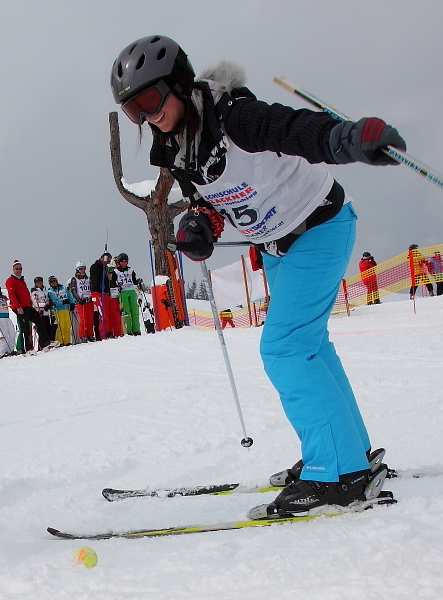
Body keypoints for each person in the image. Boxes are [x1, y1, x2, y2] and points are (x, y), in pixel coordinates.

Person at [111, 35, 403, 515]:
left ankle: (338, 474)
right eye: (132, 110)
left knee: (285, 347)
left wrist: (348, 138)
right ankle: (348, 451)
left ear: (179, 84)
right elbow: (206, 200)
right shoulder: (173, 148)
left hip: (319, 226)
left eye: (150, 100)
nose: (146, 116)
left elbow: (296, 130)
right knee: (308, 345)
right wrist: (199, 225)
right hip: (276, 245)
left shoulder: (234, 118)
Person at [5, 260, 38, 353]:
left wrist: (30, 302)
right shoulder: (10, 280)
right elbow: (12, 294)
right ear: (13, 269)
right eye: (17, 269)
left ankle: (42, 343)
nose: (19, 270)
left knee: (36, 322)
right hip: (20, 307)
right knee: (23, 328)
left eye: (20, 269)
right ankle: (23, 348)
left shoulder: (21, 280)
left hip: (27, 306)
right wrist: (18, 307)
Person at [113, 253, 144, 335]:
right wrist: (117, 287)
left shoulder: (131, 270)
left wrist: (138, 282)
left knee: (134, 310)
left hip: (131, 291)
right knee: (126, 311)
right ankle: (128, 330)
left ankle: (136, 329)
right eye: (122, 262)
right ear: (119, 262)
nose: (123, 263)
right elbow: (113, 283)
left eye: (125, 261)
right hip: (123, 292)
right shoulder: (116, 272)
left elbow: (134, 281)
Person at [68, 262, 95, 342]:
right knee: (83, 319)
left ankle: (90, 334)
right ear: (77, 269)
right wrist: (78, 299)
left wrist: (92, 297)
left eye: (83, 268)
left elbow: (92, 288)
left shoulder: (88, 278)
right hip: (81, 301)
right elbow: (73, 290)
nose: (82, 270)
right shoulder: (74, 279)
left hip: (89, 300)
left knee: (90, 319)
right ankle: (82, 335)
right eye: (80, 269)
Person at [46, 275, 75, 346]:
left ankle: (67, 341)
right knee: (61, 326)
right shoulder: (50, 291)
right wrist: (63, 302)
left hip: (66, 308)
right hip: (58, 310)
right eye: (51, 282)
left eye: (54, 281)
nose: (53, 282)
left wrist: (72, 303)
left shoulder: (63, 288)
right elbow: (54, 301)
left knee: (67, 325)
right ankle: (59, 341)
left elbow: (69, 296)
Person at [29, 276, 54, 348]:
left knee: (48, 327)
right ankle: (42, 345)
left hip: (47, 311)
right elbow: (35, 303)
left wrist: (49, 303)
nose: (39, 283)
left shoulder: (45, 290)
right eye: (37, 282)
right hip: (40, 311)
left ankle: (48, 342)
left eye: (40, 282)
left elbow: (47, 299)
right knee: (41, 329)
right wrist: (44, 304)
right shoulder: (34, 292)